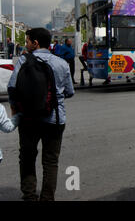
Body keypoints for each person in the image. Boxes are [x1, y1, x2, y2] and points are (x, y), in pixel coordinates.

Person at [7, 27, 74, 201]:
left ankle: (29, 196)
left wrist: (16, 109)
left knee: (27, 158)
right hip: (54, 119)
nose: (26, 44)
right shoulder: (61, 63)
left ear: (35, 43)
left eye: (28, 41)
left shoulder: (23, 61)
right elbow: (70, 91)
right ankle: (47, 197)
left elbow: (12, 88)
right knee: (51, 161)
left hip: (28, 119)